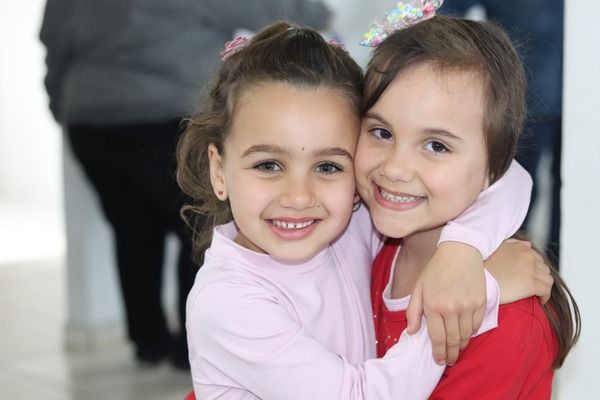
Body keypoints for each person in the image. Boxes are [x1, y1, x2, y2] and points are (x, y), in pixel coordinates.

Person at [177, 21, 552, 399]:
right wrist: (480, 292)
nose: (299, 197)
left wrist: (462, 251)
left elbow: (511, 175)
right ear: (218, 171)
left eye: (328, 166)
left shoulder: (349, 227)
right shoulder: (226, 302)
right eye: (268, 165)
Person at [39, 0, 333, 368]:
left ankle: (148, 342)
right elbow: (265, 7)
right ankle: (191, 350)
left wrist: (60, 106)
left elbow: (54, 46)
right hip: (172, 115)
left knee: (133, 230)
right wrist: (319, 15)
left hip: (92, 123)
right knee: (198, 226)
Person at [358, 13, 580, 398]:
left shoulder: (511, 321)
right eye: (382, 132)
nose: (394, 168)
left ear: (494, 167)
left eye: (436, 145)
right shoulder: (365, 238)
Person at [441, 0, 564, 267]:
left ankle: (557, 266)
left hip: (581, 108)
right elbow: (446, 11)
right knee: (509, 187)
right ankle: (504, 260)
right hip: (517, 106)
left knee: (571, 190)